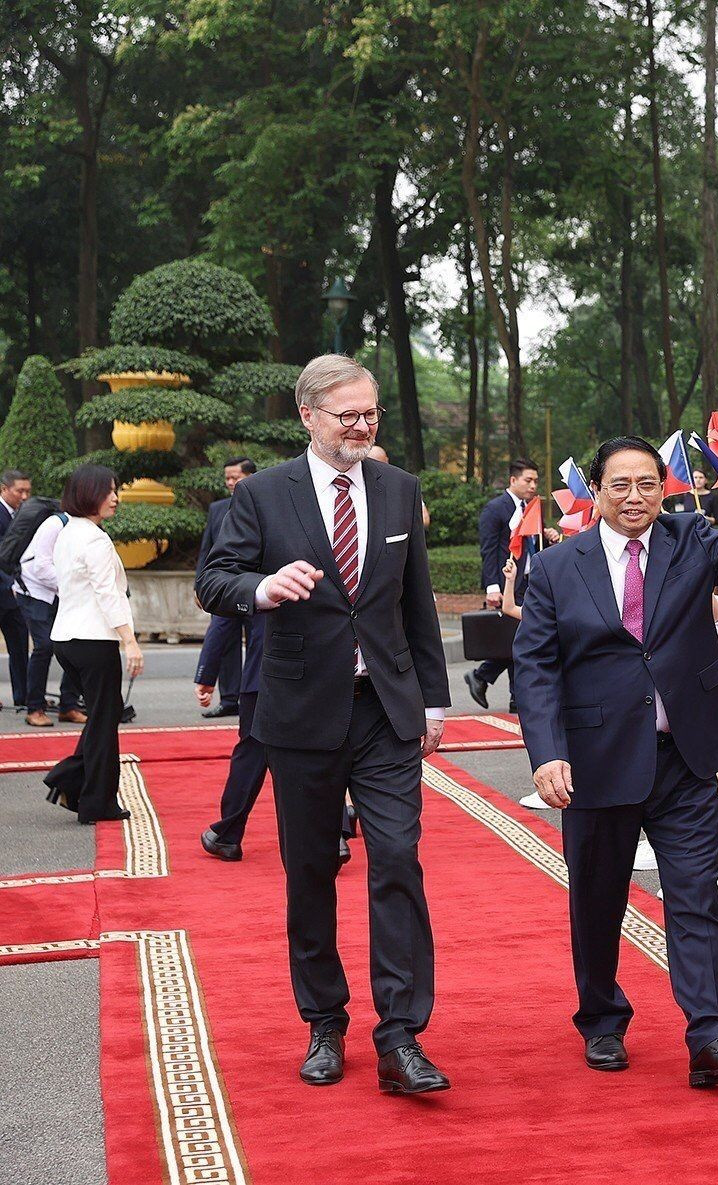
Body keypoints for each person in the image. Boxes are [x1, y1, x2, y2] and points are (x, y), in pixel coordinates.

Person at [511, 401, 718, 1089]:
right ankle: (603, 1018)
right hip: (595, 761)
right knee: (596, 897)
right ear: (597, 490)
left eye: (647, 483)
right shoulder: (558, 567)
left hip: (684, 756)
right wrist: (547, 752)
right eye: (621, 484)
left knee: (696, 895)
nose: (636, 496)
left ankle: (711, 1035)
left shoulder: (692, 538)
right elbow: (536, 665)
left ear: (661, 487)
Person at [196, 354, 452, 1095]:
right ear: (308, 416)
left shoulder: (399, 489)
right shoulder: (265, 494)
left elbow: (415, 603)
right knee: (311, 870)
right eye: (348, 415)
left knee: (398, 859)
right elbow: (214, 579)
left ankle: (401, 1033)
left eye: (370, 412)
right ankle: (324, 1020)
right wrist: (262, 588)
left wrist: (432, 700)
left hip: (385, 711)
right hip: (301, 712)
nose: (363, 426)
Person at [42, 465, 142, 824]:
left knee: (105, 715)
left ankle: (77, 783)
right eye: (108, 491)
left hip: (67, 637)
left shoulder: (69, 533)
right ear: (88, 494)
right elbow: (108, 595)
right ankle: (92, 798)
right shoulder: (95, 539)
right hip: (93, 638)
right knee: (104, 721)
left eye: (115, 490)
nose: (114, 498)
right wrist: (130, 642)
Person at [464, 459, 541, 711]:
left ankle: (490, 681)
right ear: (513, 480)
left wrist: (548, 536)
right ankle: (503, 689)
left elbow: (532, 546)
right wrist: (492, 587)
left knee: (517, 639)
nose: (532, 486)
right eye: (528, 480)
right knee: (516, 640)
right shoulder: (495, 509)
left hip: (528, 583)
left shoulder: (531, 509)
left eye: (535, 481)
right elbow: (488, 551)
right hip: (506, 584)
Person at [196, 610, 267, 862]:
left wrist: (206, 676)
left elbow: (224, 620)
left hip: (264, 674)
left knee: (250, 756)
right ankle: (335, 835)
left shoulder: (251, 568)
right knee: (316, 753)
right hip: (317, 675)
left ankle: (228, 833)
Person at [194, 457, 258, 719]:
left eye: (236, 477)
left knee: (258, 642)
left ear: (251, 477)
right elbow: (207, 549)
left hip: (257, 587)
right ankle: (229, 698)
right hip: (224, 587)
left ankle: (253, 696)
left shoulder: (265, 504)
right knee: (224, 640)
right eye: (228, 478)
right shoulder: (217, 509)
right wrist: (201, 584)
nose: (230, 483)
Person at [14, 501, 85, 727]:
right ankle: (34, 707)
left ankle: (69, 705)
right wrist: (72, 585)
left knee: (75, 645)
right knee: (44, 646)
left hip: (61, 593)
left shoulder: (87, 527)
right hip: (34, 591)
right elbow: (41, 567)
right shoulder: (54, 524)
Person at [0, 469, 34, 707]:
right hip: (5, 587)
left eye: (28, 492)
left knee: (20, 647)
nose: (24, 497)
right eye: (19, 491)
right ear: (4, 489)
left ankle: (22, 697)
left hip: (15, 596)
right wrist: (8, 582)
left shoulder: (26, 516)